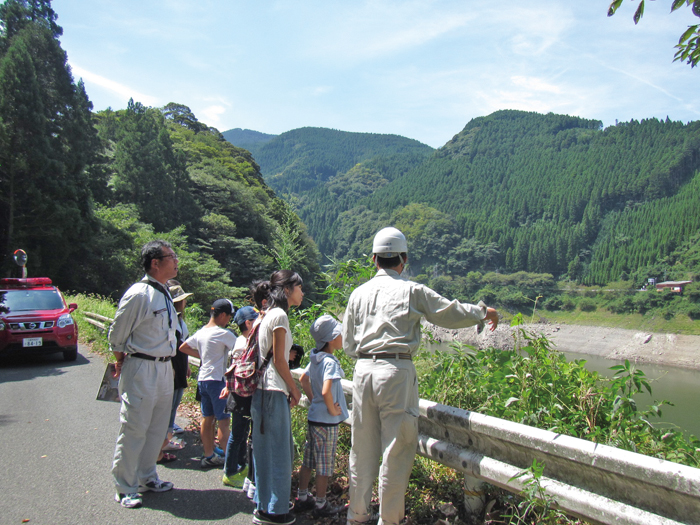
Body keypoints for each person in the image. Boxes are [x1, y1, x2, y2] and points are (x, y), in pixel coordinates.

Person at [343, 227, 499, 525]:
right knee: (396, 450)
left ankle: (356, 517)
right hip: (397, 371)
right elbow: (448, 312)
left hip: (362, 372)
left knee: (361, 450)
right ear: (403, 259)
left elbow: (349, 343)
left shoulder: (357, 293)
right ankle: (389, 520)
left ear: (374, 259)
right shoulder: (412, 290)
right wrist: (483, 312)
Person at [109, 240, 179, 509]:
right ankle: (125, 486)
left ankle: (147, 477)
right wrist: (119, 359)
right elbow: (117, 334)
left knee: (157, 426)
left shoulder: (164, 291)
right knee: (135, 427)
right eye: (171, 257)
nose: (175, 261)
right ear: (155, 263)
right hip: (141, 366)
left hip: (164, 367)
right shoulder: (139, 294)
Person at [250, 271, 304, 525]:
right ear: (287, 290)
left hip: (261, 391)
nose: (302, 292)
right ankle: (277, 511)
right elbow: (281, 361)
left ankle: (264, 506)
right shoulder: (280, 315)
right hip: (273, 390)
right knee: (281, 451)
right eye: (299, 287)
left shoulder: (266, 315)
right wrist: (294, 388)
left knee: (264, 451)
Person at [294, 314, 348, 518]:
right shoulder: (330, 363)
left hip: (314, 417)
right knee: (324, 465)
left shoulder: (315, 358)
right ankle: (321, 504)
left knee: (309, 460)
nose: (342, 337)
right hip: (327, 421)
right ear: (331, 339)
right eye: (339, 334)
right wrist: (332, 409)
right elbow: (327, 391)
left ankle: (302, 496)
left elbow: (303, 379)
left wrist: (313, 398)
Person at [180, 299, 237, 468]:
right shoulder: (223, 333)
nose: (229, 320)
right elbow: (240, 349)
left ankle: (208, 454)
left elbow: (183, 347)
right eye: (229, 316)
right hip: (217, 380)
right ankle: (229, 459)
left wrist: (204, 357)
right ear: (222, 315)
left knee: (207, 418)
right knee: (224, 421)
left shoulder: (202, 332)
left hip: (203, 379)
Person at [156, 280, 193, 464]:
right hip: (171, 367)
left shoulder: (179, 319)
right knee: (167, 406)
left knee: (173, 405)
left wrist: (186, 365)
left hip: (179, 366)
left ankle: (165, 439)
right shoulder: (170, 319)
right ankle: (161, 445)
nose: (185, 302)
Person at [222, 305, 259, 488]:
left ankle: (241, 466)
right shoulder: (244, 343)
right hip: (240, 396)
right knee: (237, 435)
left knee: (242, 433)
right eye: (256, 320)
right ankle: (229, 472)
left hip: (238, 395)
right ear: (248, 323)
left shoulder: (242, 340)